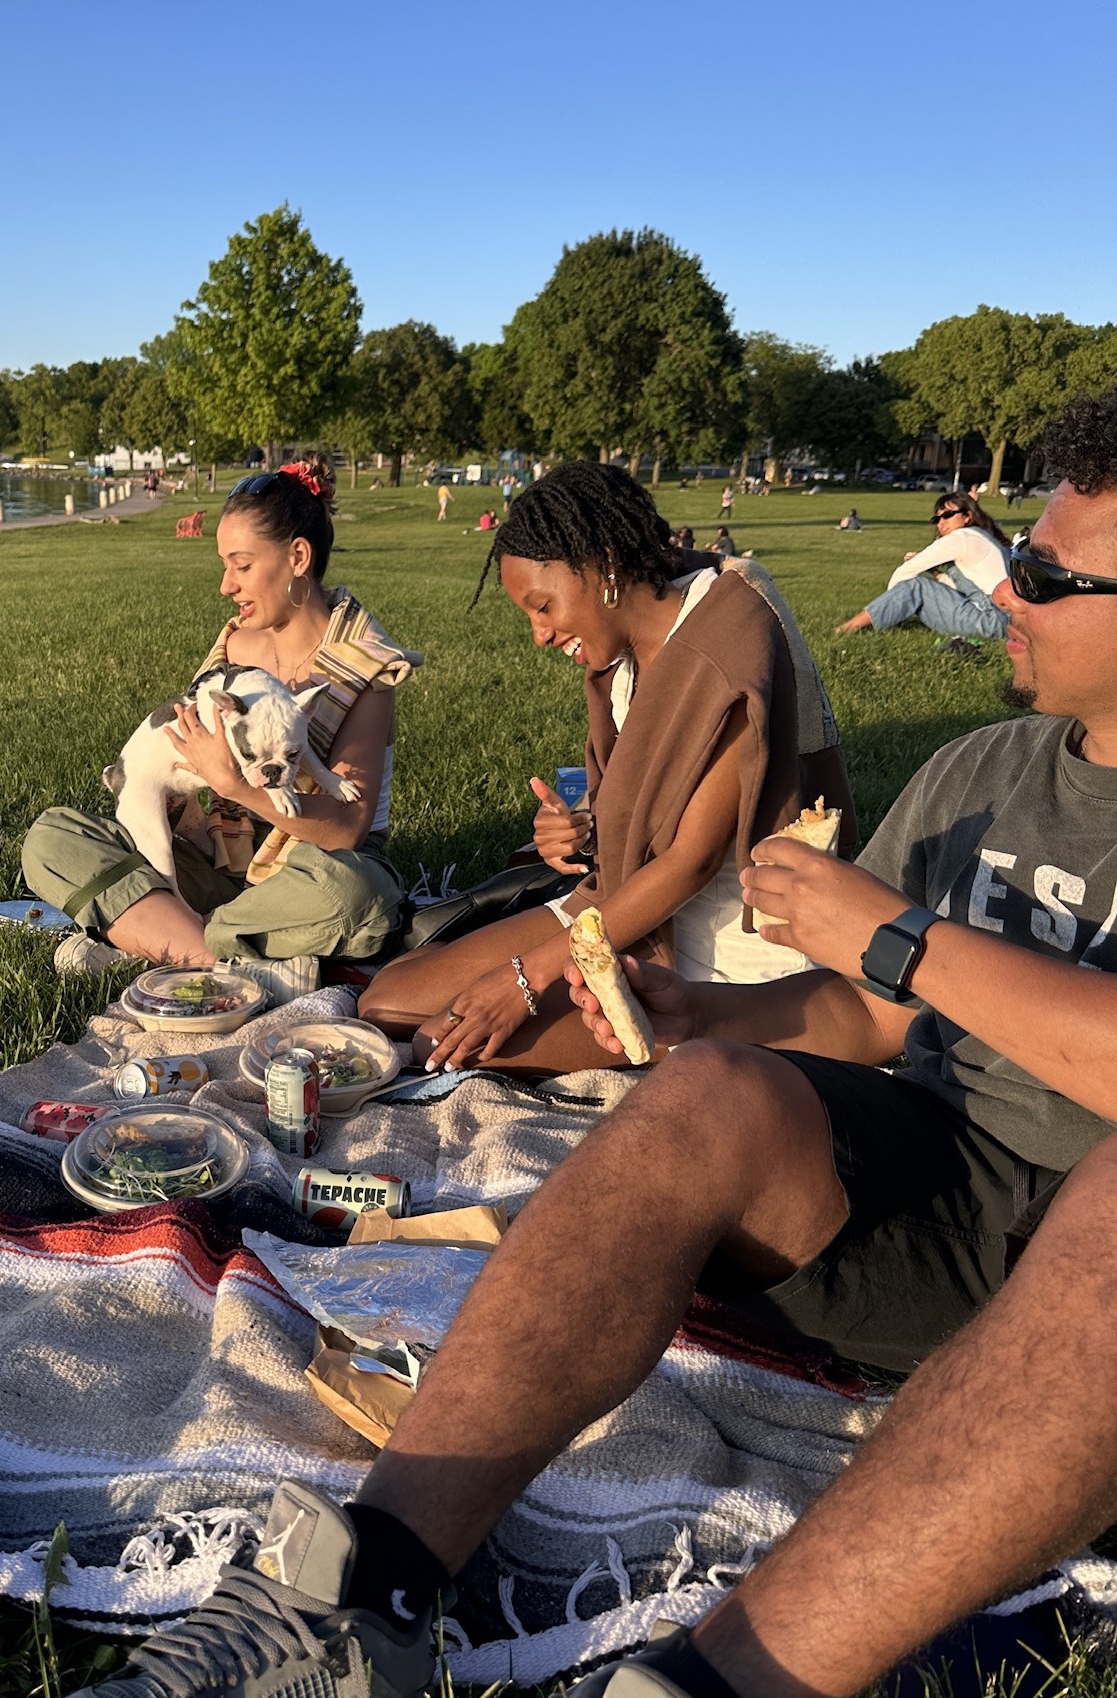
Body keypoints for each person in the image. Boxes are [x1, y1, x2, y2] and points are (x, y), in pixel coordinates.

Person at [66, 390, 1117, 1698]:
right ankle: (368, 1588)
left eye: (1044, 573)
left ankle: (710, 1683)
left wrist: (892, 934)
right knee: (710, 1089)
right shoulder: (988, 774)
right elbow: (866, 1018)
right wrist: (716, 1024)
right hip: (947, 1195)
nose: (1004, 589)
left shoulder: (730, 640)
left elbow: (873, 957)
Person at [357, 460, 854, 1077]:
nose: (538, 635)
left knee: (438, 1044)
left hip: (714, 957)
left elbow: (692, 860)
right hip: (616, 902)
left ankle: (713, 1046)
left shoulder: (725, 639)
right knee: (387, 998)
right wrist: (584, 829)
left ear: (606, 566)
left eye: (543, 606)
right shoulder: (617, 655)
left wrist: (526, 980)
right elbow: (650, 801)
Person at [22, 456, 419, 979]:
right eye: (225, 566)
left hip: (310, 870)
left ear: (297, 556)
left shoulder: (365, 665)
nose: (226, 586)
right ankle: (228, 957)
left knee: (355, 895)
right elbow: (183, 765)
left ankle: (158, 939)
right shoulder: (237, 646)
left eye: (241, 565)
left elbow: (346, 831)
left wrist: (231, 782)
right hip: (225, 859)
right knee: (51, 839)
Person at [835, 493, 1011, 637]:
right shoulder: (982, 537)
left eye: (948, 515)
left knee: (916, 586)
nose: (942, 522)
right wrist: (934, 573)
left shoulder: (960, 538)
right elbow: (967, 589)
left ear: (967, 516)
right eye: (938, 519)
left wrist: (894, 605)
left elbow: (905, 573)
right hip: (1007, 622)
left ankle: (847, 629)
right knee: (921, 587)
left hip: (989, 620)